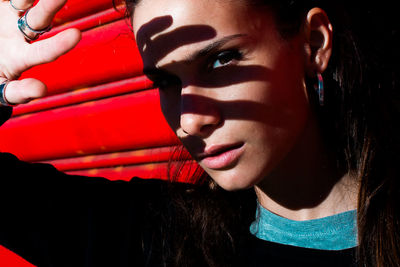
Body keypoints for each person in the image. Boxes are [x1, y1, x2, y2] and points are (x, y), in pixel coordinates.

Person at [0, 0, 398, 266]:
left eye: (221, 60)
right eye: (166, 81)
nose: (189, 120)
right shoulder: (157, 238)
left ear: (312, 44)